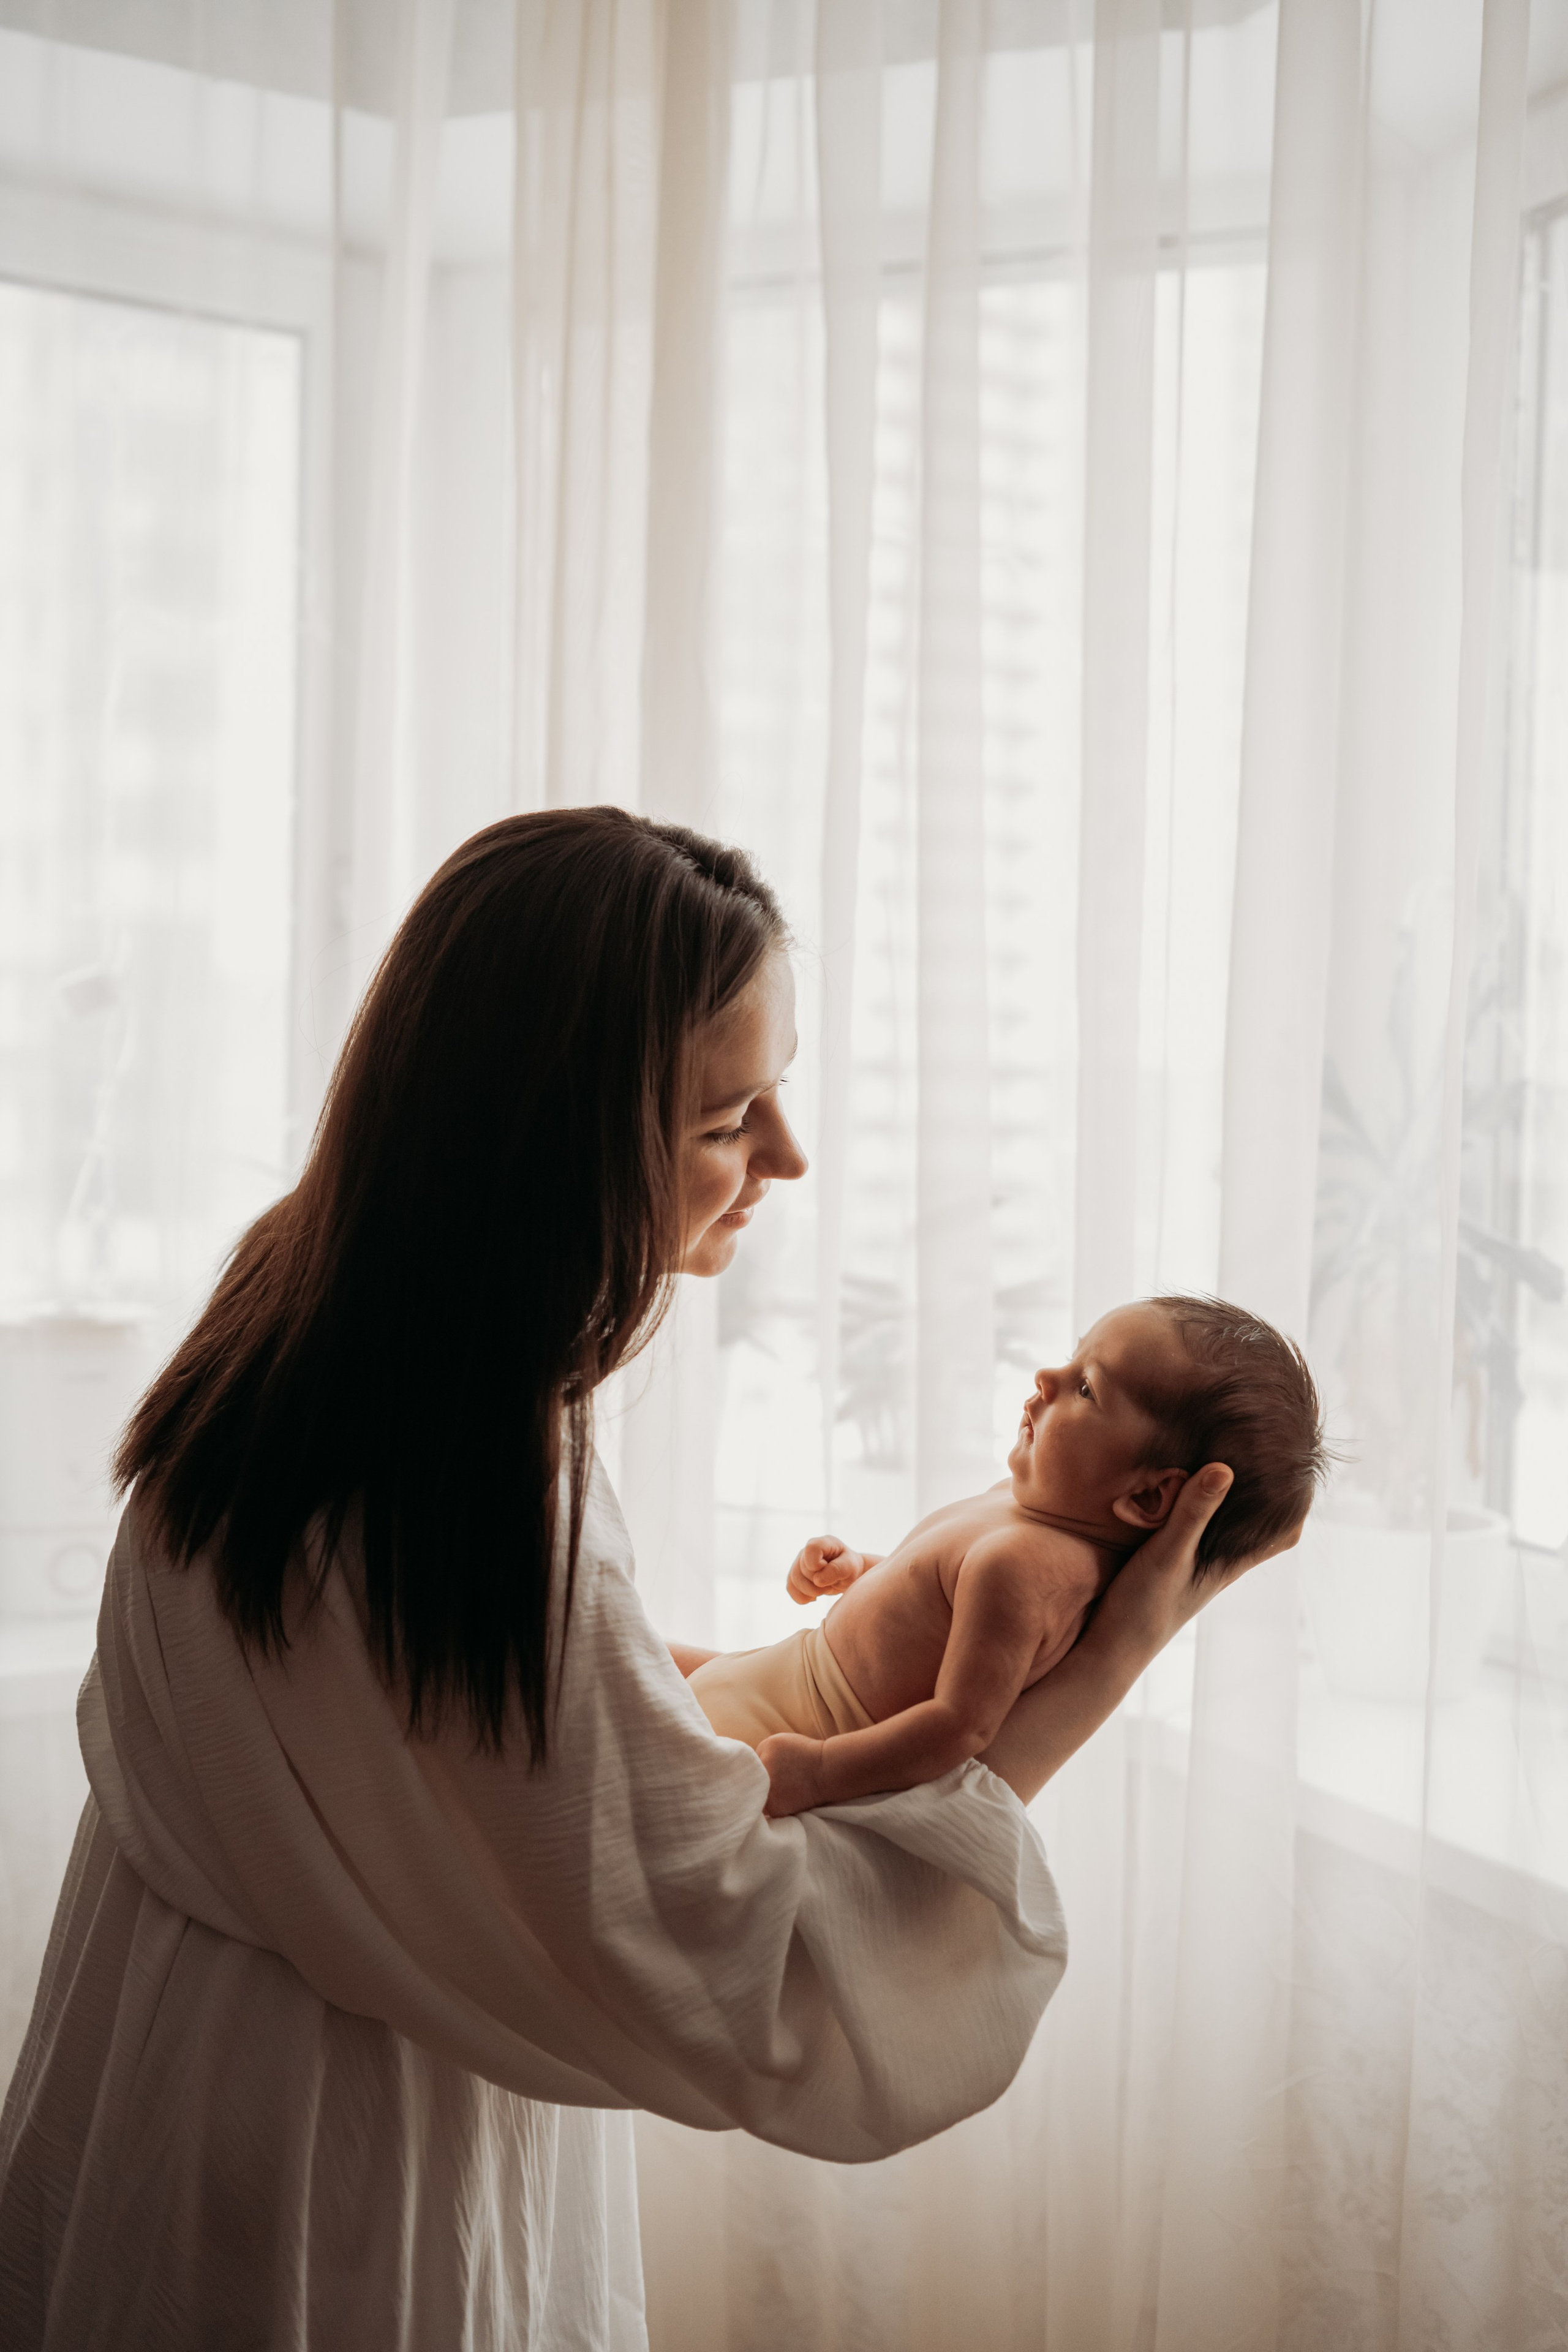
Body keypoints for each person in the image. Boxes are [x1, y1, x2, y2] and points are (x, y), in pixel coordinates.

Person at [0, 810, 1299, 2352]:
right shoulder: (470, 1466)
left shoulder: (306, 1310)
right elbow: (741, 1970)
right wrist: (1086, 1684)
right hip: (324, 2162)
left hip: (166, 2059)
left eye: (780, 1090)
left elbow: (500, 1744)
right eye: (726, 1115)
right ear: (555, 1138)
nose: (786, 1158)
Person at [686, 1296, 1326, 1815]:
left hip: (793, 1726)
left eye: (1086, 1389)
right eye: (1072, 1360)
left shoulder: (1027, 1570)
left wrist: (821, 1772)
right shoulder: (1017, 1507)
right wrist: (861, 1569)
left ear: (1148, 1495)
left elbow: (959, 1726)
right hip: (779, 1675)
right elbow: (931, 1597)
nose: (1046, 1379)